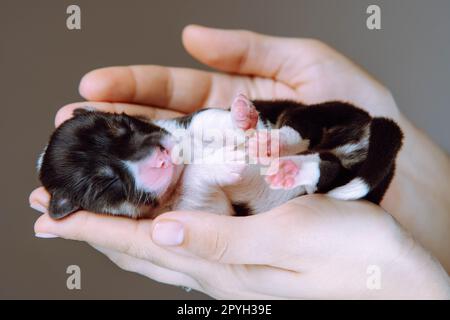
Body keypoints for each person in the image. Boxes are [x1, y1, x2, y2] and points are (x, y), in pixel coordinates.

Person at [29, 25, 450, 299]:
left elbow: (205, 125)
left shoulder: (175, 133)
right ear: (80, 204)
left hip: (297, 141)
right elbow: (211, 214)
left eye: (129, 131)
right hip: (302, 189)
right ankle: (317, 169)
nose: (151, 156)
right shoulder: (175, 207)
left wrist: (236, 122)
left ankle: (301, 147)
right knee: (323, 178)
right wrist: (209, 175)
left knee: (298, 127)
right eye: (114, 185)